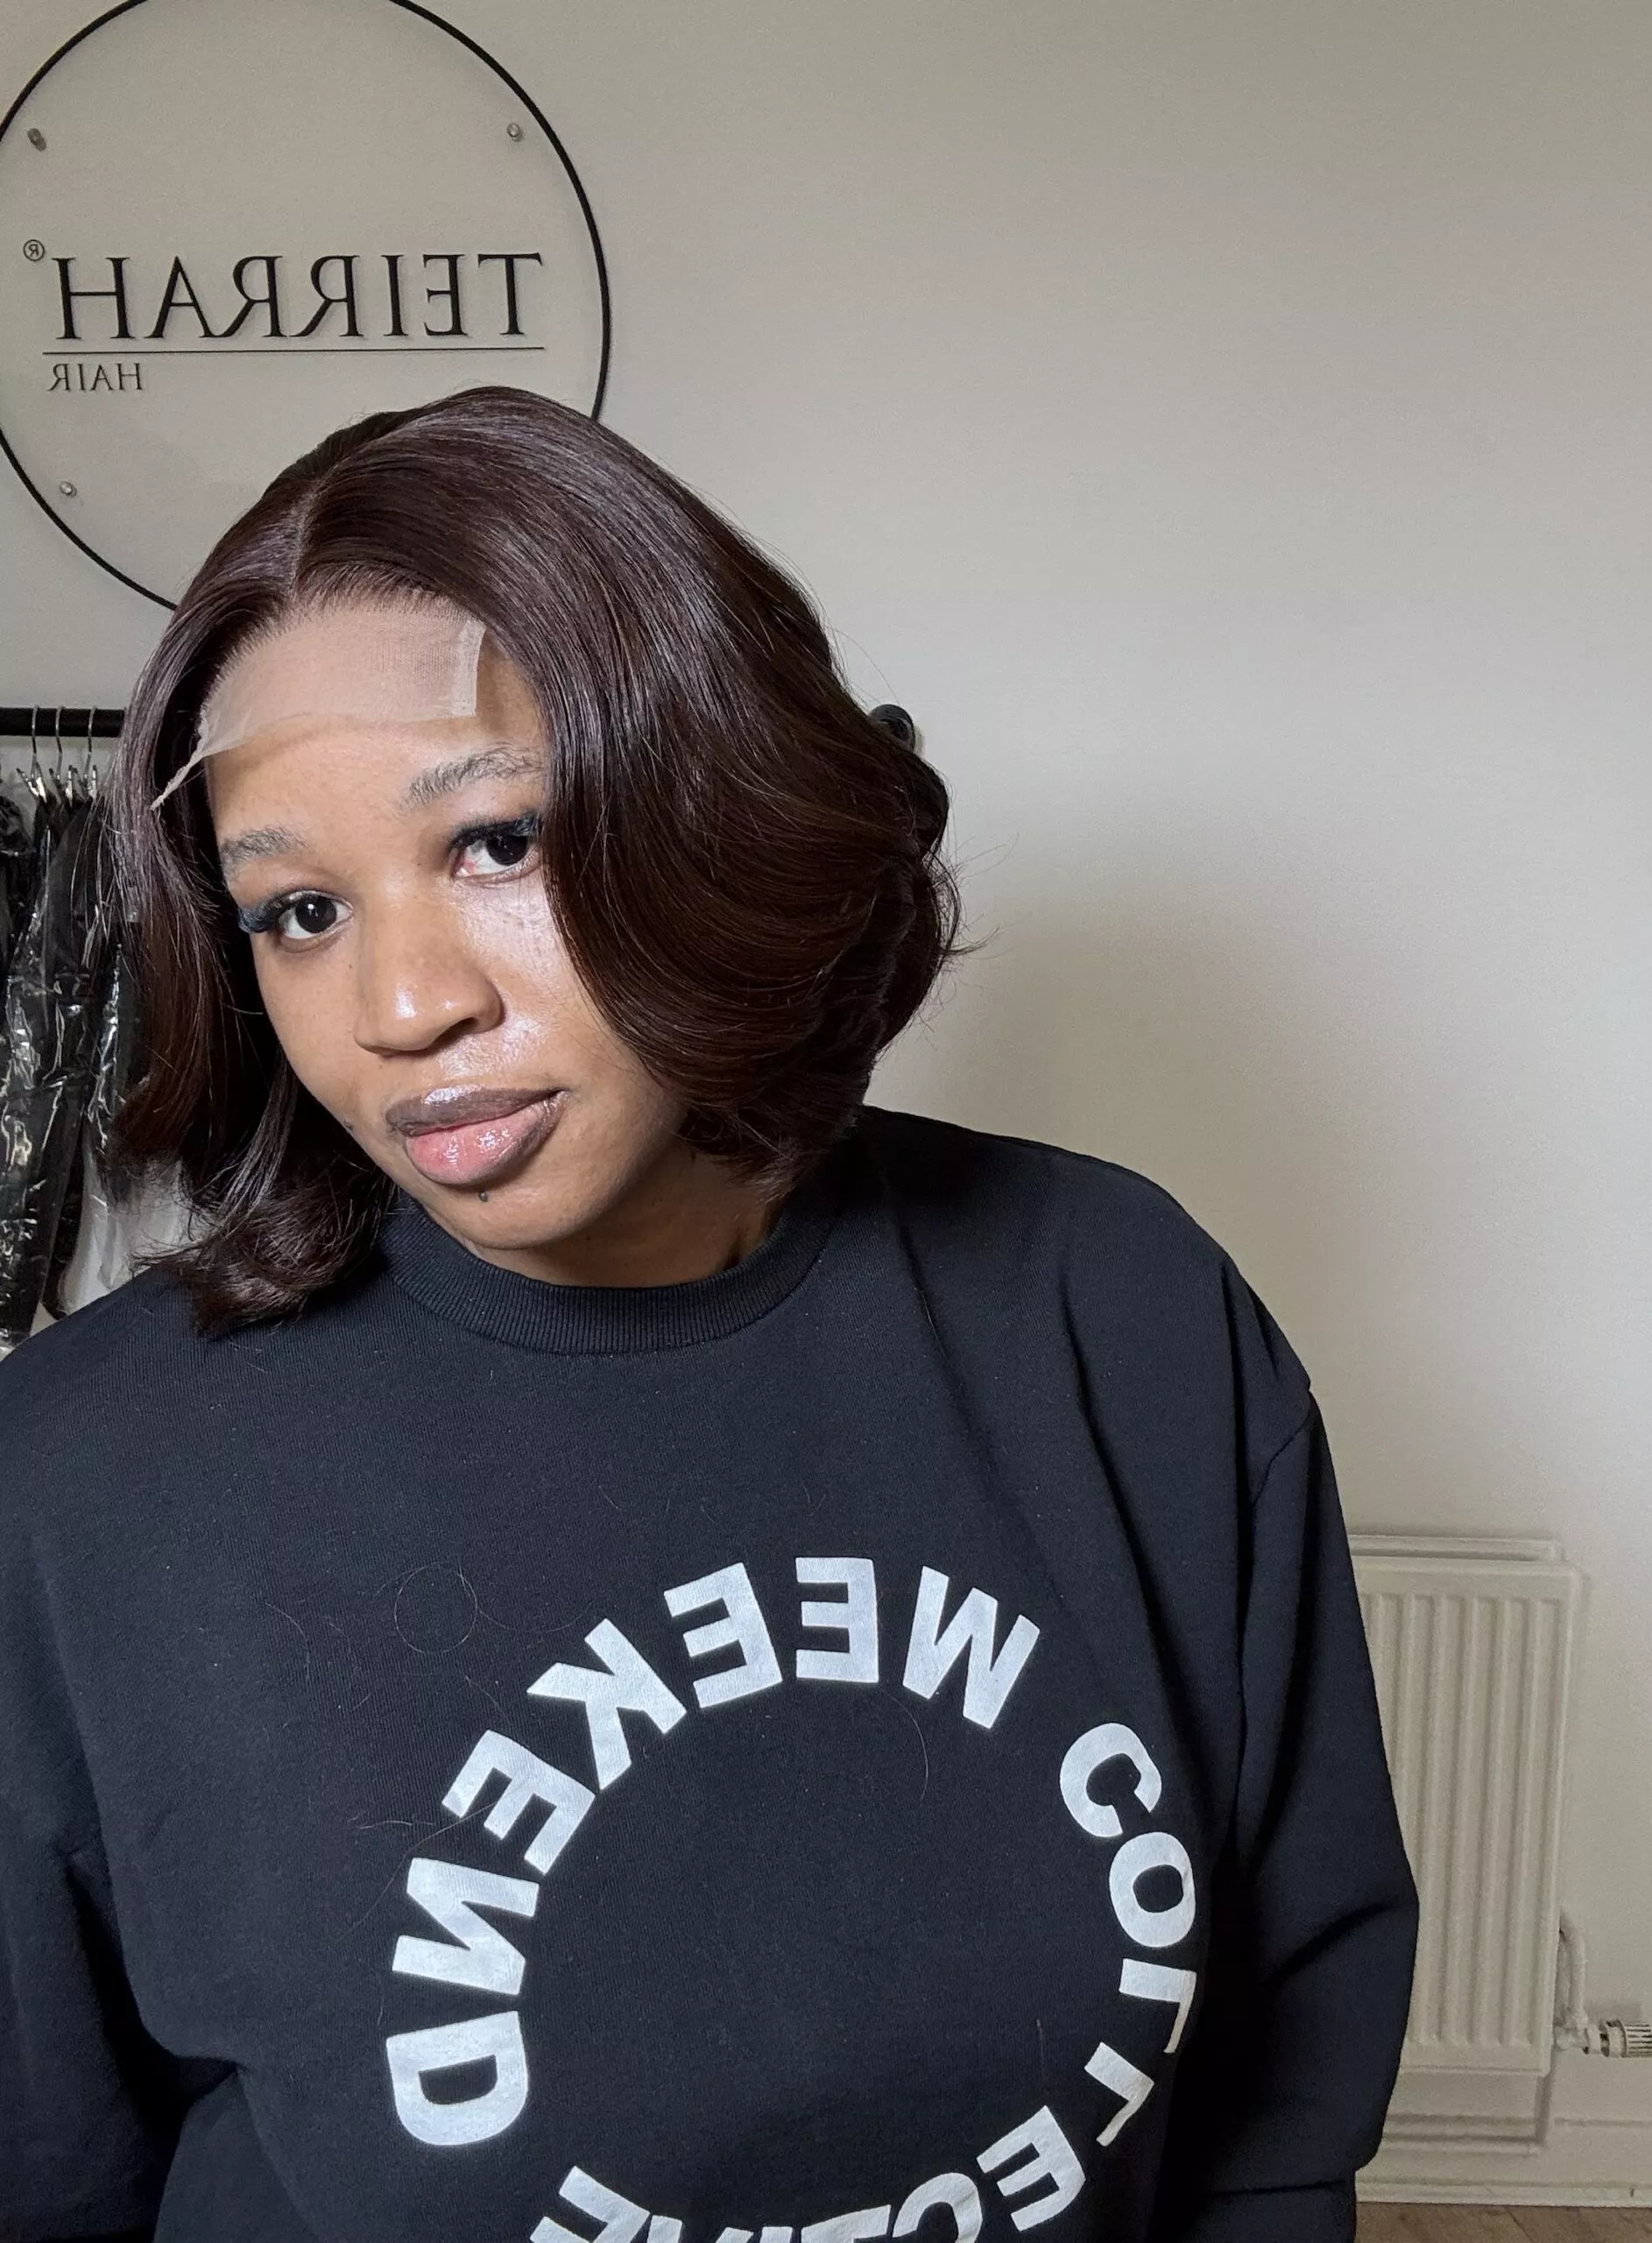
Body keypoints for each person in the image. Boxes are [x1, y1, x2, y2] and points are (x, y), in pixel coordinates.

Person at [0, 387, 1415, 2243]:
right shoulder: (80, 1479)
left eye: (497, 840)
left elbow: (1274, 2114)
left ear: (723, 806)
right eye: (300, 912)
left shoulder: (1121, 1314)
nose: (403, 1004)